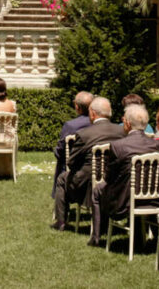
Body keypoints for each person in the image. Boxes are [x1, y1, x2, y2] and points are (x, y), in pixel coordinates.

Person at [86, 103, 159, 246]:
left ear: (127, 123)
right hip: (156, 199)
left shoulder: (118, 146)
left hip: (125, 201)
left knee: (98, 190)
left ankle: (96, 237)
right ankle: (149, 239)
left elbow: (108, 177)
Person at [50, 96, 123, 229]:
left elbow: (71, 162)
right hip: (114, 182)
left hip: (87, 184)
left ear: (93, 113)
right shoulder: (122, 131)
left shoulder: (85, 134)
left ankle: (61, 222)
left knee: (62, 179)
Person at [52, 91, 94, 195]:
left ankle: (59, 199)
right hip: (96, 166)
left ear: (77, 107)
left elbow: (61, 150)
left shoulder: (71, 126)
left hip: (74, 168)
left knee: (62, 159)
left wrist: (56, 151)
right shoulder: (98, 124)